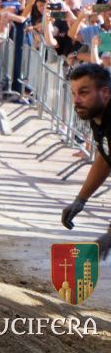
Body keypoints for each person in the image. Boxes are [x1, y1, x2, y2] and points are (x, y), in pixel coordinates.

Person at [60, 63, 111, 259]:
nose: (76, 100)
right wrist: (81, 199)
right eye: (73, 93)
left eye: (83, 92)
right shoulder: (97, 114)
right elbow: (105, 157)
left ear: (104, 92)